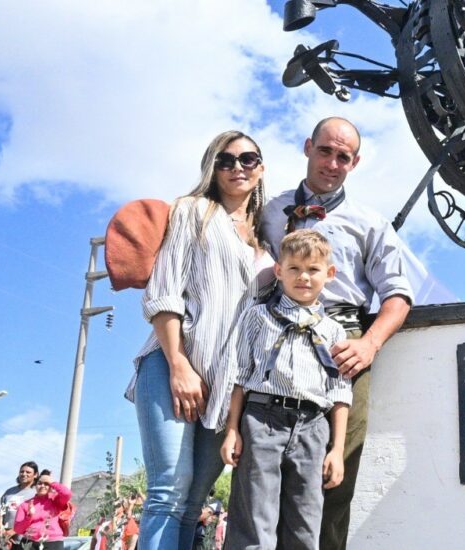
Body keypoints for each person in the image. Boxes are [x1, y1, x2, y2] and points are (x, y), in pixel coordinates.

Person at [261, 117, 414, 550]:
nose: (332, 162)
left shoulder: (370, 224)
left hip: (342, 343)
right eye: (325, 150)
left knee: (336, 470)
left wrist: (369, 343)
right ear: (308, 147)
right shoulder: (270, 212)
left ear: (355, 162)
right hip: (277, 340)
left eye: (343, 156)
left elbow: (398, 295)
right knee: (263, 471)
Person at [126, 130, 276, 550]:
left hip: (227, 383)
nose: (237, 168)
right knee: (169, 489)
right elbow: (165, 290)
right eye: (225, 161)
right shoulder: (194, 211)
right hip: (174, 361)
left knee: (194, 502)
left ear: (261, 168)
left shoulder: (267, 236)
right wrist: (178, 364)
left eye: (248, 159)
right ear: (213, 168)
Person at [222, 229, 353, 549]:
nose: (303, 277)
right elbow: (239, 375)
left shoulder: (334, 331)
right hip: (261, 419)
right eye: (294, 268)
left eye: (313, 269)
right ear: (278, 271)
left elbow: (339, 392)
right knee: (255, 517)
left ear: (329, 274)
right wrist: (232, 430)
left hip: (312, 426)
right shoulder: (258, 317)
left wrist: (336, 449)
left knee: (305, 522)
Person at [12, 471, 71, 550]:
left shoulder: (55, 501)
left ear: (51, 486)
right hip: (29, 543)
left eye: (46, 484)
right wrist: (29, 516)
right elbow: (18, 530)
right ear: (35, 485)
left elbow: (66, 493)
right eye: (39, 483)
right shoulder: (25, 504)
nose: (42, 486)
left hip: (53, 542)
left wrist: (52, 482)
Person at [0, 461, 40, 548]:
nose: (24, 474)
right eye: (22, 471)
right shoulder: (9, 492)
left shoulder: (37, 493)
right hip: (5, 540)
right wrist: (3, 532)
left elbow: (35, 517)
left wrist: (13, 531)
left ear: (35, 475)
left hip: (26, 542)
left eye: (28, 472)